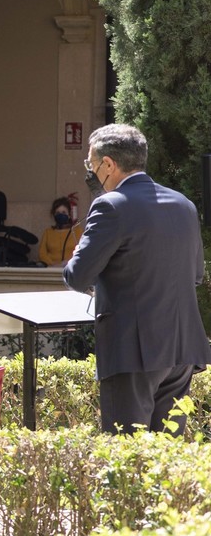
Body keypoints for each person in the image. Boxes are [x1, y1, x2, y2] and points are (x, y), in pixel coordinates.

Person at [63, 124, 211, 435]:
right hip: (181, 349)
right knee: (165, 459)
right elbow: (196, 274)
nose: (89, 172)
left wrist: (82, 255)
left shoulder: (110, 205)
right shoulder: (184, 205)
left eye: (90, 164)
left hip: (133, 349)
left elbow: (77, 276)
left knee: (126, 454)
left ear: (108, 165)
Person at [38, 196, 83, 266]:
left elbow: (82, 251)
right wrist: (53, 264)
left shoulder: (77, 231)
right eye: (57, 213)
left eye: (64, 212)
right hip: (51, 270)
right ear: (54, 215)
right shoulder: (48, 232)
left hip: (72, 269)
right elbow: (42, 254)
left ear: (69, 215)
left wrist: (69, 263)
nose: (60, 215)